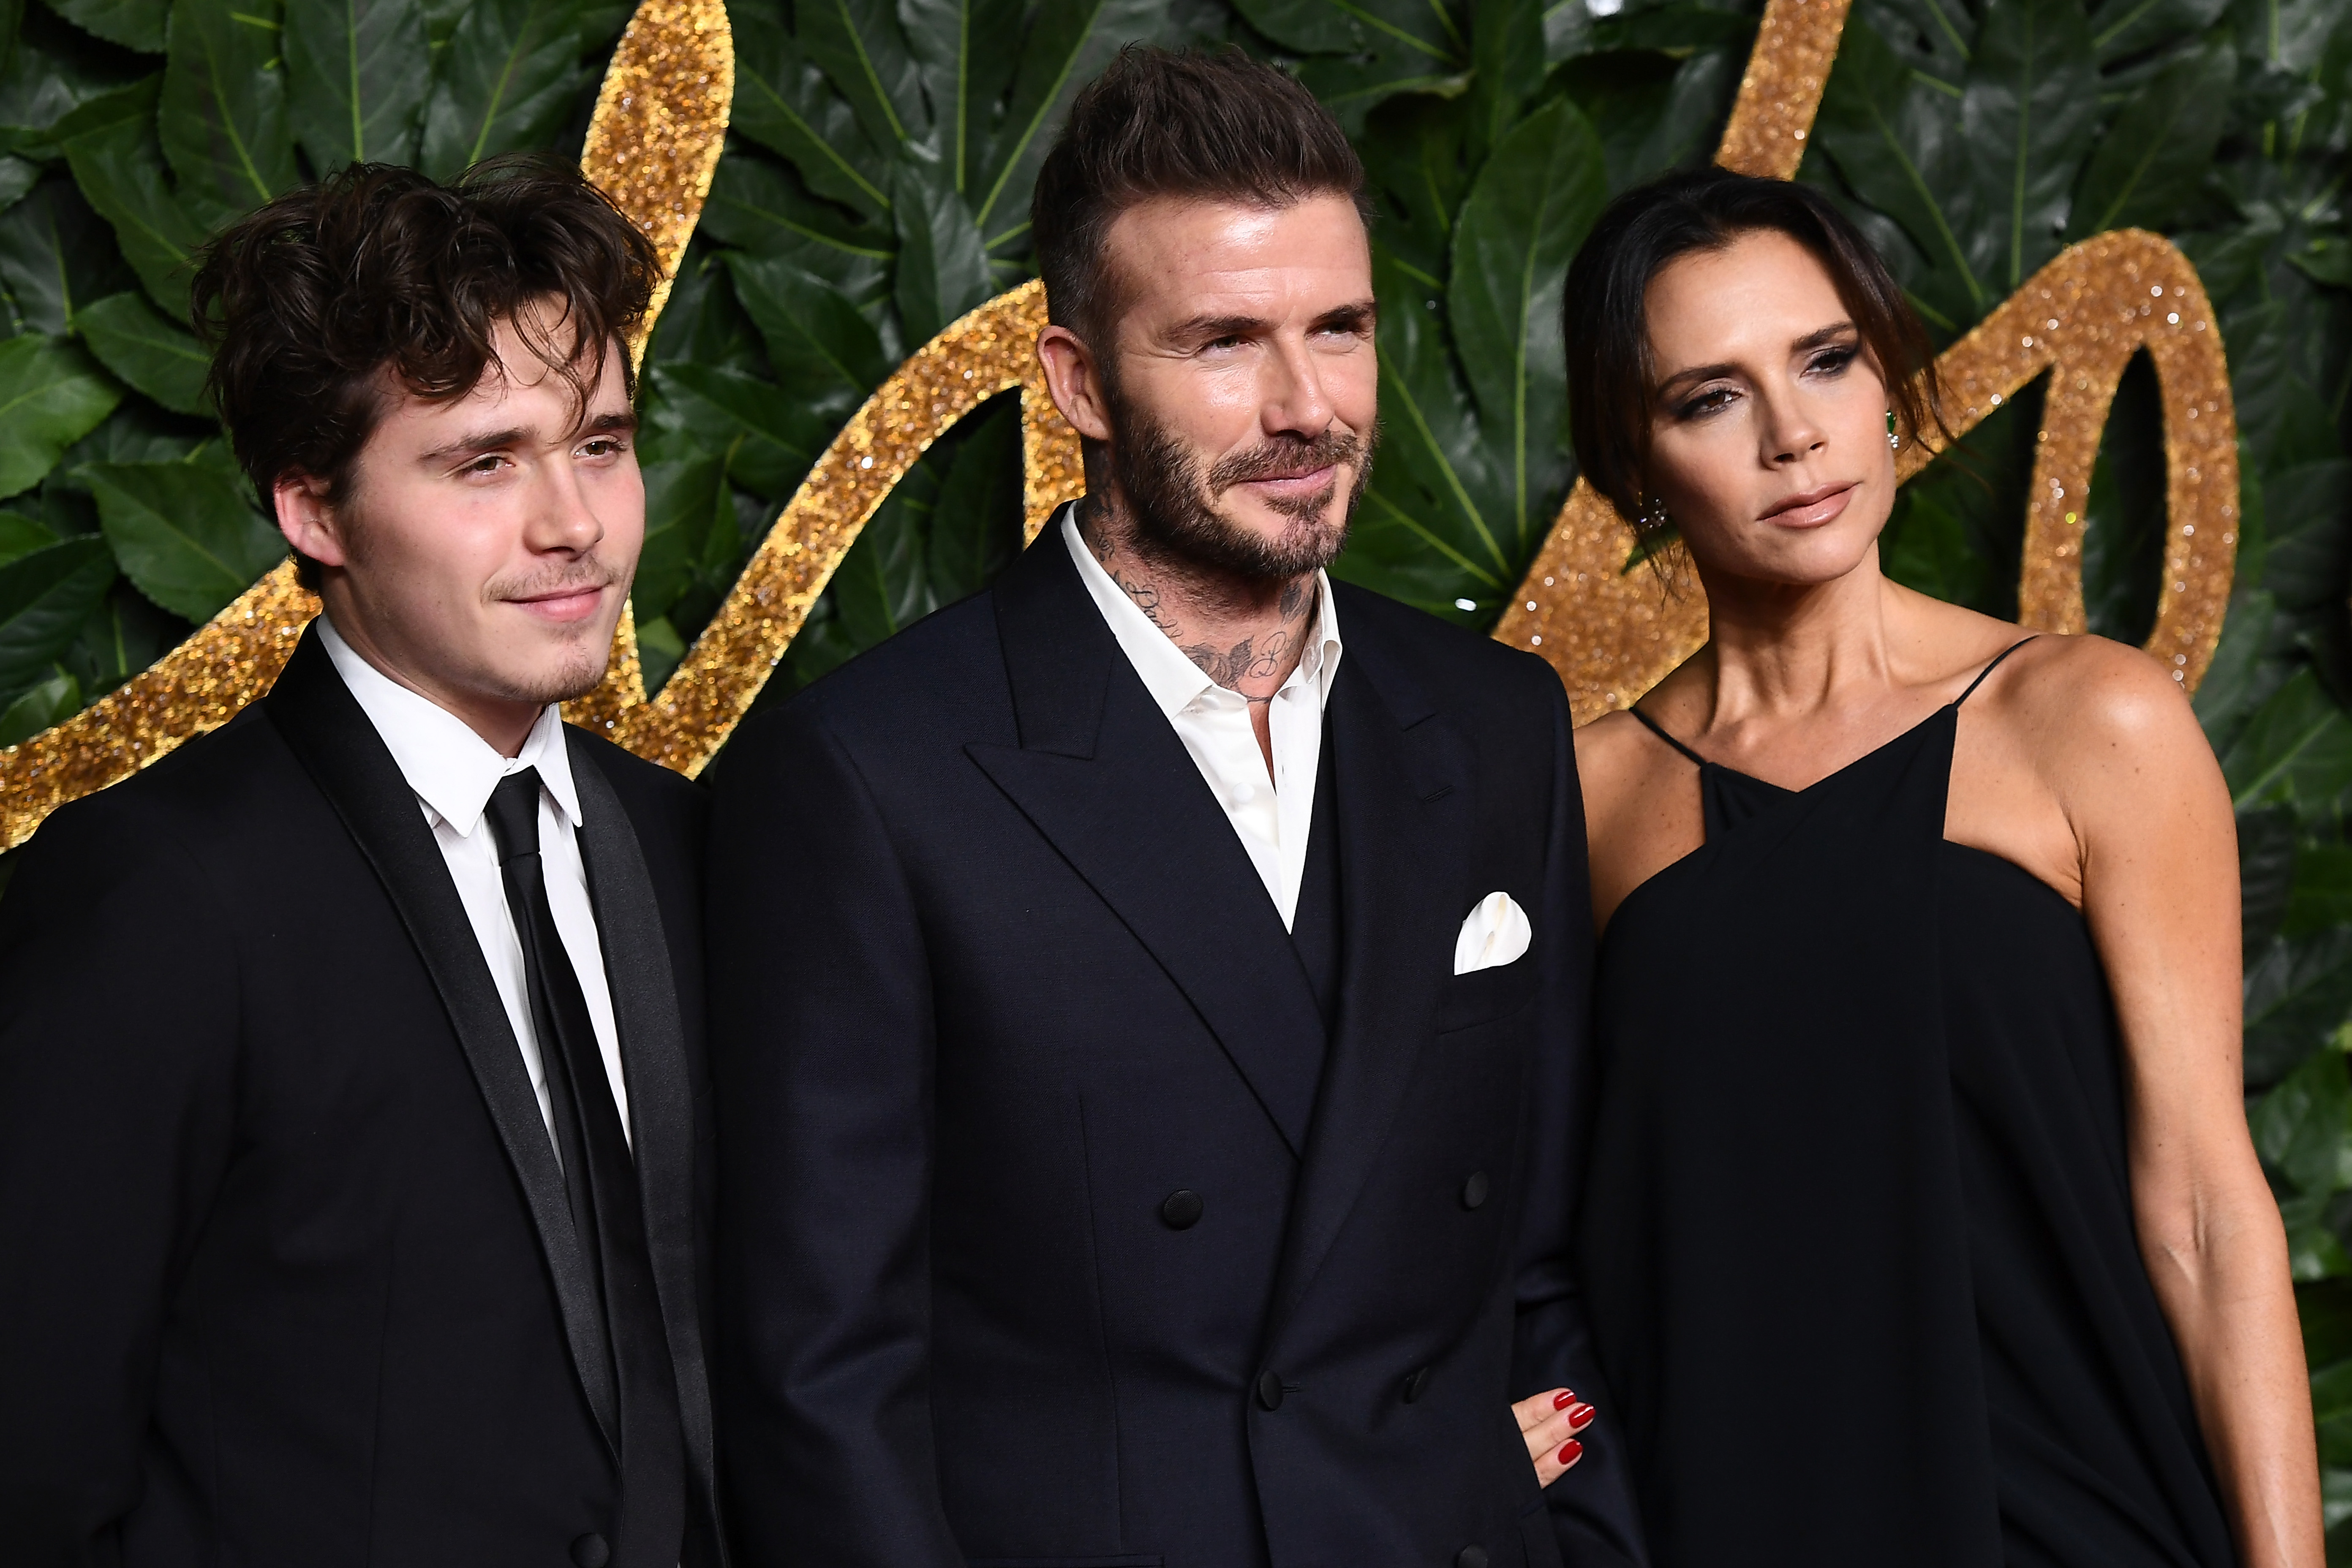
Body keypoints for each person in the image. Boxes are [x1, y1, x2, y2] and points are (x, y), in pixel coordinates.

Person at [708, 45, 1643, 1568]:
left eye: (1339, 329)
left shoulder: (1494, 724)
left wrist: (1582, 1532)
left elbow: (1538, 1266)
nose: (1305, 405)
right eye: (1222, 342)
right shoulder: (870, 777)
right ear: (1075, 380)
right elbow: (826, 1382)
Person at [1565, 165, 2320, 1567]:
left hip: (2081, 1522)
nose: (1796, 435)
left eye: (1828, 359)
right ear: (1634, 463)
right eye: (1710, 397)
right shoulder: (1589, 799)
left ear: (1887, 376)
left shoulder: (2090, 722)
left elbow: (2210, 1217)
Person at [0, 158, 724, 1568]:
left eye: (602, 444)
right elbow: (31, 1468)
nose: (573, 522)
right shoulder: (158, 895)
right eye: (484, 462)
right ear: (315, 513)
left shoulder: (686, 842)